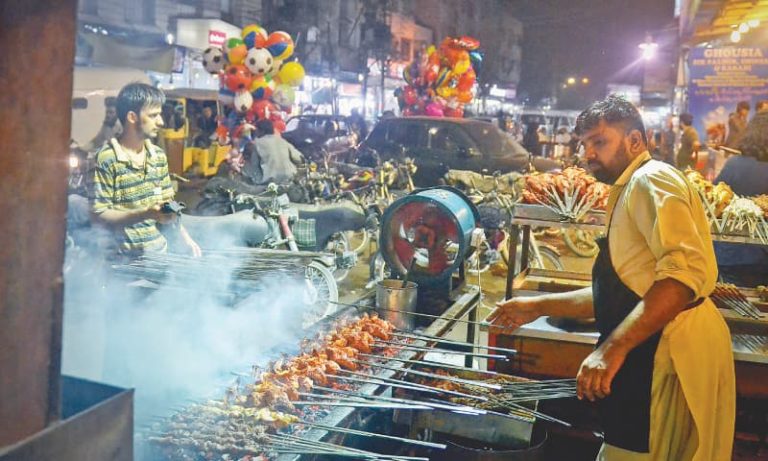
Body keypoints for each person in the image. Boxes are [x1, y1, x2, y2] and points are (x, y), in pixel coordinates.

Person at [490, 95, 735, 461]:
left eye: (599, 142)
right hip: (648, 347)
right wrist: (535, 306)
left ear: (635, 141)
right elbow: (624, 289)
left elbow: (682, 278)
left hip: (667, 351)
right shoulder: (629, 186)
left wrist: (611, 349)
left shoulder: (651, 181)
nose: (588, 153)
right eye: (585, 144)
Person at [91, 83, 201, 258]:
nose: (161, 122)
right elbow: (100, 215)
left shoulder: (157, 156)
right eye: (153, 115)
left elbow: (167, 201)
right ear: (132, 117)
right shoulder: (107, 159)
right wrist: (145, 213)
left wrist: (185, 238)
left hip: (158, 254)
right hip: (124, 262)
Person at [713, 111, 768, 287]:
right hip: (762, 259)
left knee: (730, 309)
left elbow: (713, 202)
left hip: (729, 254)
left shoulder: (734, 164)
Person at [251, 119, 304, 184]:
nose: (255, 132)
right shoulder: (282, 141)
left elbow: (254, 166)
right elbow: (299, 158)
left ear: (262, 131)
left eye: (256, 130)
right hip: (290, 177)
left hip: (271, 181)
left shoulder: (256, 144)